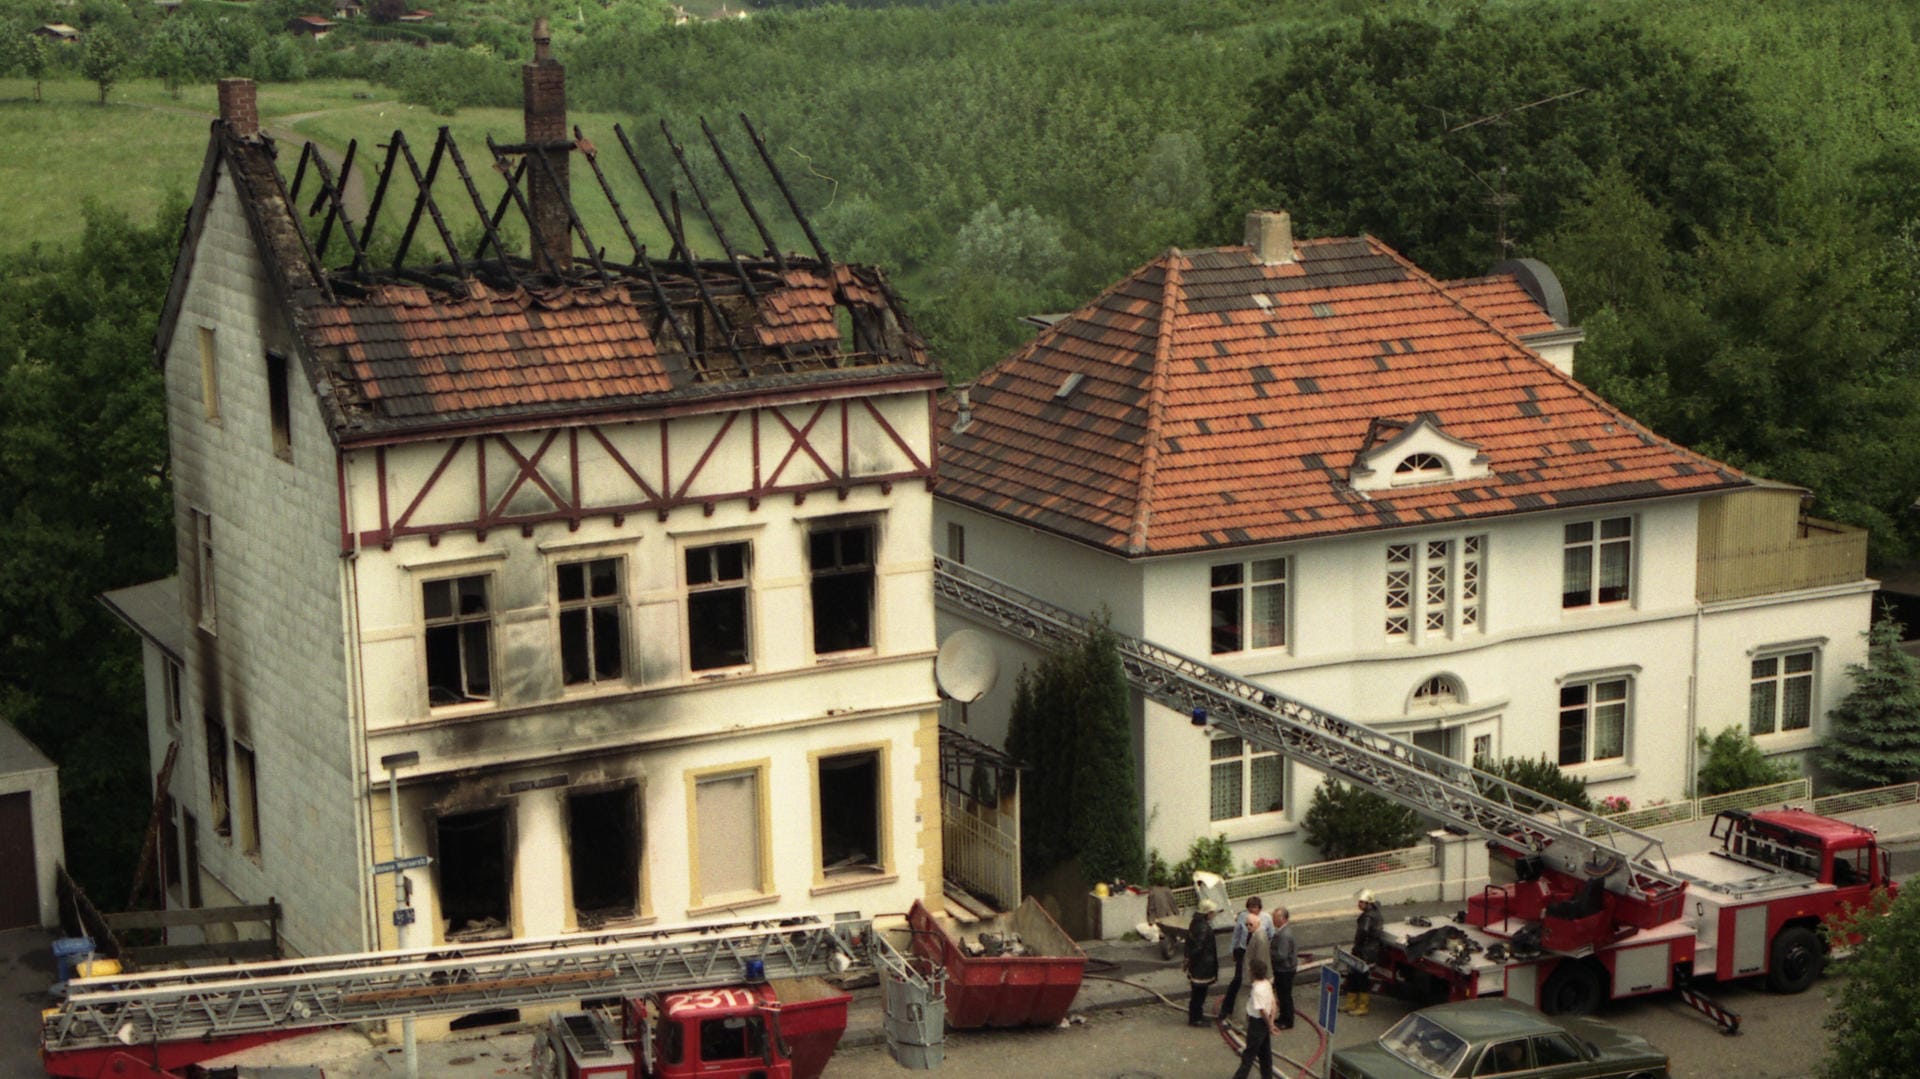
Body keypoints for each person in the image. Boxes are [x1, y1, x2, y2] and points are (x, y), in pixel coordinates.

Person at [1218, 896, 1271, 1020]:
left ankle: (1258, 1010)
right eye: (1250, 909)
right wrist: (1233, 949)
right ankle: (1227, 1009)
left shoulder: (1267, 918)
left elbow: (1271, 935)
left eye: (1255, 908)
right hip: (1243, 951)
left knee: (1259, 983)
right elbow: (1237, 933)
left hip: (1257, 953)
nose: (1252, 911)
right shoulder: (1242, 916)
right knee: (1238, 979)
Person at [1230, 949, 1279, 1079]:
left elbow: (1261, 1010)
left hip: (1257, 1023)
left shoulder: (1256, 989)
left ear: (1253, 972)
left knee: (1249, 1055)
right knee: (1265, 1054)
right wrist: (1272, 1022)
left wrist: (1269, 1025)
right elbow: (1273, 1004)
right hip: (1265, 1022)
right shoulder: (1267, 984)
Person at [1342, 888, 1383, 1017]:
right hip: (1365, 951)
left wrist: (1357, 948)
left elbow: (1363, 933)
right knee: (1354, 977)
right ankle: (1351, 1003)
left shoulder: (1368, 917)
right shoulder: (1374, 914)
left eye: (1361, 902)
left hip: (1364, 952)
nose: (1359, 904)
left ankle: (1362, 1006)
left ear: (1368, 903)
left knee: (1361, 979)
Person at [1183, 898, 1221, 1026]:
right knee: (1199, 994)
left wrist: (1188, 959)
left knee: (1197, 994)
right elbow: (1199, 948)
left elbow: (1190, 944)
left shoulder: (1195, 922)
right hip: (1202, 966)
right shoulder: (1203, 927)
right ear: (1208, 913)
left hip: (1198, 965)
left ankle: (1197, 1016)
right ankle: (1195, 1019)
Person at [1267, 905, 1297, 1030]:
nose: (1273, 920)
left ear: (1282, 918)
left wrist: (1268, 953)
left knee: (1284, 995)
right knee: (1283, 995)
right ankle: (1284, 1016)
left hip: (1284, 969)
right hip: (1285, 968)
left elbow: (1281, 955)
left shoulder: (1284, 935)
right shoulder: (1283, 931)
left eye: (1274, 917)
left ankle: (1287, 1020)